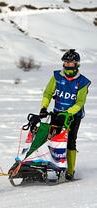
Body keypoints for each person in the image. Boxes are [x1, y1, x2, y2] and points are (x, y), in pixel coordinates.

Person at [39, 49, 91, 180]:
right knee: (51, 139)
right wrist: (44, 107)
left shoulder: (82, 82)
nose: (68, 66)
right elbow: (47, 93)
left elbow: (80, 102)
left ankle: (70, 170)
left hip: (74, 116)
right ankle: (51, 165)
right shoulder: (57, 76)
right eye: (66, 63)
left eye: (71, 63)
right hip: (57, 114)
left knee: (70, 141)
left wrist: (67, 113)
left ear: (77, 65)